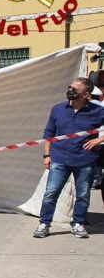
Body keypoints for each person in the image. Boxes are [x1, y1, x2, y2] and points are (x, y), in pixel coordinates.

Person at [33, 77, 104, 239]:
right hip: (59, 159)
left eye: (75, 89)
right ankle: (44, 224)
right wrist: (47, 155)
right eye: (70, 87)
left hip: (85, 160)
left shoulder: (97, 111)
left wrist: (98, 140)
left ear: (86, 95)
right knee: (51, 193)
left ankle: (78, 223)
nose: (70, 91)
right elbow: (49, 133)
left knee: (83, 195)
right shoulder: (58, 109)